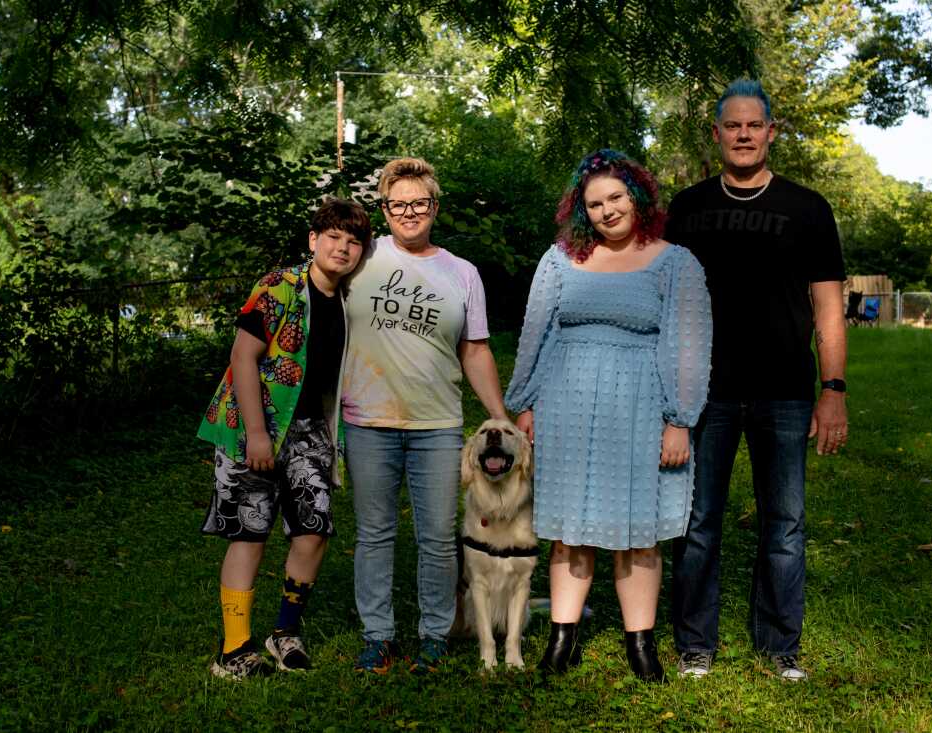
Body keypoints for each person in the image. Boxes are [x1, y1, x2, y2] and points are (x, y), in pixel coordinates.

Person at [505, 149, 712, 682]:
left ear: (637, 197)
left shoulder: (675, 262)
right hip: (564, 402)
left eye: (616, 198)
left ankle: (640, 645)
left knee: (638, 529)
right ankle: (561, 639)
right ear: (583, 211)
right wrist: (524, 402)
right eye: (594, 204)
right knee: (568, 529)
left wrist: (679, 418)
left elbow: (688, 343)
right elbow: (536, 331)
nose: (607, 211)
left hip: (641, 405)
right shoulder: (559, 259)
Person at [666, 78, 848, 681]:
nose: (743, 134)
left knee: (786, 526)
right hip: (704, 391)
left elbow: (828, 308)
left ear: (771, 132)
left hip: (787, 392)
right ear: (717, 134)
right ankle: (696, 643)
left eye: (754, 125)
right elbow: (663, 301)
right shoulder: (687, 209)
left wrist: (834, 390)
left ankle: (779, 646)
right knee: (697, 523)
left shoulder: (808, 208)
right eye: (732, 125)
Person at [341, 157, 507, 673]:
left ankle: (434, 634)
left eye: (419, 203)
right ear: (384, 208)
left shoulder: (462, 273)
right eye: (397, 204)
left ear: (434, 206)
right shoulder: (360, 259)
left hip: (437, 424)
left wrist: (498, 417)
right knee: (374, 534)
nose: (408, 213)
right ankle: (378, 635)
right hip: (367, 420)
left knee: (436, 536)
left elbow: (475, 351)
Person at [197, 198, 371, 680]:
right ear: (313, 240)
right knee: (251, 531)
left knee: (314, 529)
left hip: (311, 428)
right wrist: (256, 434)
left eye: (354, 241)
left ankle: (285, 632)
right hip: (252, 425)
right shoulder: (280, 287)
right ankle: (233, 650)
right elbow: (242, 356)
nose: (343, 247)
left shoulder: (348, 298)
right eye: (333, 236)